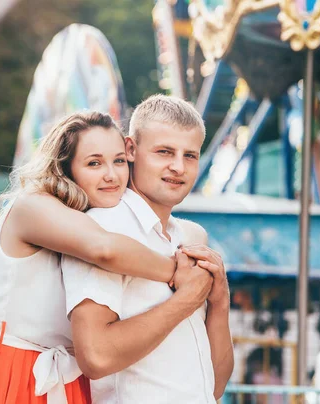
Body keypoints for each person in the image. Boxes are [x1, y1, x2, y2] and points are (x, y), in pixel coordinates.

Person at [0, 112, 199, 404]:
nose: (111, 175)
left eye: (118, 161)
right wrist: (176, 273)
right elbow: (105, 249)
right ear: (65, 168)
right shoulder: (32, 205)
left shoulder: (88, 219)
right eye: (94, 163)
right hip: (10, 367)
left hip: (66, 380)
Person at [63, 94, 235, 403]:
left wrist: (220, 302)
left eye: (190, 155)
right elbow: (96, 357)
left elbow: (214, 386)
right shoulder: (104, 226)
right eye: (164, 152)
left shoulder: (187, 237)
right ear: (130, 149)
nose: (178, 167)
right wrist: (187, 299)